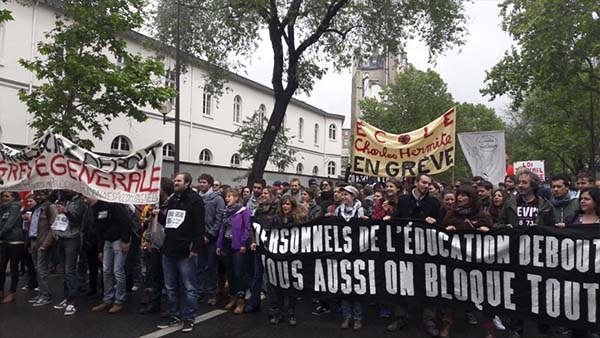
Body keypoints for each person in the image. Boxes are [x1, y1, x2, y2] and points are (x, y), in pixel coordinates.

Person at [495, 169, 555, 338]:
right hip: (516, 256)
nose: (520, 185)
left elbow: (553, 228)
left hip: (538, 256)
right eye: (519, 182)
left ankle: (544, 329)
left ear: (533, 185)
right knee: (517, 292)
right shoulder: (510, 204)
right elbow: (498, 224)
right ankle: (516, 328)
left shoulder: (545, 206)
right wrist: (504, 228)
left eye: (524, 182)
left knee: (541, 293)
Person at [390, 174, 441, 337]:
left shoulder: (433, 202)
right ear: (417, 183)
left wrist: (434, 221)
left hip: (425, 251)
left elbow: (440, 223)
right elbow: (396, 219)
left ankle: (429, 320)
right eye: (424, 182)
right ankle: (400, 317)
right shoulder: (404, 200)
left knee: (428, 284)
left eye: (429, 184)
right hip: (405, 250)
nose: (426, 186)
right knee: (402, 283)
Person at [441, 184, 494, 338]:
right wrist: (447, 230)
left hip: (477, 263)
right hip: (456, 262)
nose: (459, 198)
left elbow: (494, 235)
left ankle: (489, 329)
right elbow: (441, 232)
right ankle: (447, 324)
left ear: (472, 198)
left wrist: (487, 231)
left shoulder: (482, 216)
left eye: (464, 195)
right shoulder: (451, 215)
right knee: (451, 294)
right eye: (459, 195)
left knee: (484, 296)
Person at [156, 172, 205, 333]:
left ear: (188, 183)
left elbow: (199, 227)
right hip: (169, 249)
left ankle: (189, 317)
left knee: (190, 286)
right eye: (174, 180)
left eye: (178, 181)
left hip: (186, 251)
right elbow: (169, 222)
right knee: (170, 286)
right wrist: (158, 216)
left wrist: (196, 248)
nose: (175, 183)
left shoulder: (196, 201)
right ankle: (174, 315)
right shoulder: (173, 199)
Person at [268, 195, 307, 326]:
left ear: (293, 206)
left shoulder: (298, 220)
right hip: (278, 258)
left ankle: (291, 313)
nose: (285, 206)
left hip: (292, 259)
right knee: (277, 287)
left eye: (288, 204)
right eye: (284, 204)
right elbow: (268, 233)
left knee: (291, 287)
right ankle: (277, 312)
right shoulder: (275, 219)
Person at [88, 198, 132, 314]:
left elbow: (126, 221)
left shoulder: (113, 204)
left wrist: (126, 240)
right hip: (107, 241)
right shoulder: (95, 208)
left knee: (118, 271)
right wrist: (100, 249)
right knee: (106, 270)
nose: (85, 200)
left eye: (87, 197)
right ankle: (108, 299)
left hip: (119, 240)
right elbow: (99, 230)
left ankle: (119, 300)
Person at [139, 177, 174, 314]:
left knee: (169, 277)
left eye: (158, 188)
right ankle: (155, 303)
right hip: (155, 243)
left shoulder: (171, 203)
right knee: (156, 275)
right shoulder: (155, 204)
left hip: (166, 242)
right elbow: (150, 223)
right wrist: (147, 239)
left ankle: (171, 306)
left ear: (164, 188)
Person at [335, 185, 366, 331]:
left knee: (357, 286)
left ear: (353, 196)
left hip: (356, 253)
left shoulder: (360, 210)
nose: (344, 197)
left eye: (347, 195)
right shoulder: (338, 210)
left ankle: (358, 318)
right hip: (342, 252)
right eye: (342, 194)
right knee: (344, 286)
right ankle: (347, 317)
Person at [216, 190, 252, 315]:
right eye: (226, 196)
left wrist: (244, 243)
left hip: (238, 245)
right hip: (227, 243)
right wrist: (219, 244)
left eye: (229, 196)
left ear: (236, 198)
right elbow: (222, 228)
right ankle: (233, 296)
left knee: (239, 273)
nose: (227, 198)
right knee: (229, 272)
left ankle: (241, 300)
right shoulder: (226, 212)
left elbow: (247, 228)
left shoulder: (243, 211)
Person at [53, 189, 86, 316]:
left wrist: (66, 212)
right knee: (64, 271)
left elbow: (77, 220)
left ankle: (72, 301)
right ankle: (66, 298)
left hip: (72, 238)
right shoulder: (64, 199)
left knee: (70, 270)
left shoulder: (80, 202)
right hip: (61, 237)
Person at [245, 186, 279, 313]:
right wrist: (253, 241)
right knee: (257, 275)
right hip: (259, 246)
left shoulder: (277, 209)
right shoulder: (259, 209)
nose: (263, 195)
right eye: (263, 193)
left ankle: (273, 306)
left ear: (272, 195)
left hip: (271, 247)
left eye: (266, 193)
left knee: (271, 278)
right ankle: (254, 303)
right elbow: (253, 226)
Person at [196, 173, 225, 306]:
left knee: (211, 266)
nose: (201, 184)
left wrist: (210, 235)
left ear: (209, 184)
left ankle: (211, 293)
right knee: (199, 266)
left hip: (211, 238)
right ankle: (199, 292)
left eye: (204, 182)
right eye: (200, 182)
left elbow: (219, 219)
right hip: (198, 237)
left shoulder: (217, 199)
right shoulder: (196, 198)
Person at [28, 190, 57, 307]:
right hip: (34, 240)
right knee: (37, 269)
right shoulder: (37, 207)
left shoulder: (50, 207)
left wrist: (46, 244)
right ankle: (41, 293)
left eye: (42, 194)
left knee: (42, 270)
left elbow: (53, 226)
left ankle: (46, 296)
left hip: (42, 243)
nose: (39, 196)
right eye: (37, 194)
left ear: (47, 195)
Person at [0, 191, 25, 303]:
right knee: (1, 268)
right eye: (3, 196)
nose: (4, 198)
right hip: (3, 241)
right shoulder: (2, 209)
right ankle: (1, 291)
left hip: (15, 242)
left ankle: (12, 293)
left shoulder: (15, 208)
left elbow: (9, 224)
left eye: (7, 196)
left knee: (14, 268)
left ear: (13, 198)